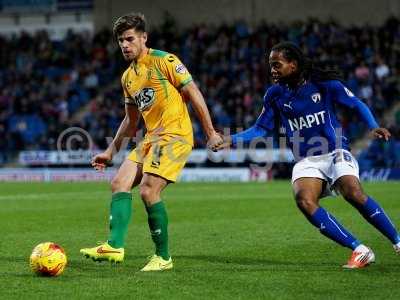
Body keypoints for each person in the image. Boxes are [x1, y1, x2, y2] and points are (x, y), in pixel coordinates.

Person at [216, 41, 400, 269]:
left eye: (277, 65)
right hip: (307, 159)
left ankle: (398, 241)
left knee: (352, 192)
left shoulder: (324, 85)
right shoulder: (274, 95)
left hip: (335, 151)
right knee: (304, 200)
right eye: (270, 65)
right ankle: (360, 250)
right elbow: (261, 129)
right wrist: (230, 139)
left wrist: (372, 125)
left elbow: (355, 103)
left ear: (293, 65)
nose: (272, 70)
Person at [80, 12, 223, 271]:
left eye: (129, 39)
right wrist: (111, 151)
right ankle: (114, 245)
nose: (124, 45)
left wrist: (210, 132)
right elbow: (130, 120)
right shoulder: (127, 78)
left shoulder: (164, 60)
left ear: (143, 38)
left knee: (148, 190)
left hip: (175, 134)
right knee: (119, 183)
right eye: (120, 41)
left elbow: (193, 92)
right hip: (150, 138)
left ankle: (163, 257)